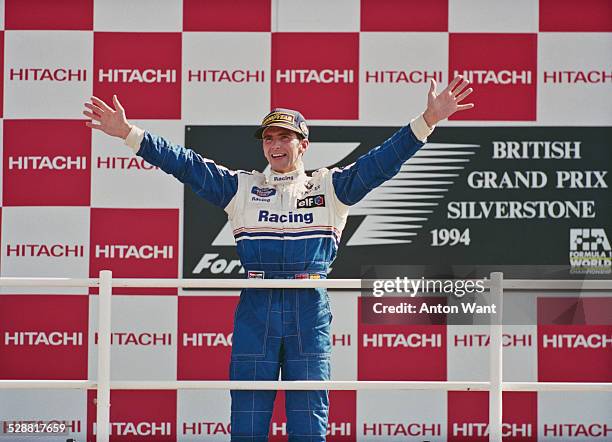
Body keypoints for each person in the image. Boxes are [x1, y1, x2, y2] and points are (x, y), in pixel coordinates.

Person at [83, 75, 473, 441]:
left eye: (285, 136)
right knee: (247, 421)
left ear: (303, 144)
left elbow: (381, 163)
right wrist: (130, 135)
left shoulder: (330, 187)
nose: (275, 144)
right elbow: (186, 164)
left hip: (309, 309)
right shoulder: (241, 188)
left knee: (309, 421)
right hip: (258, 308)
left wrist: (427, 122)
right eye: (268, 138)